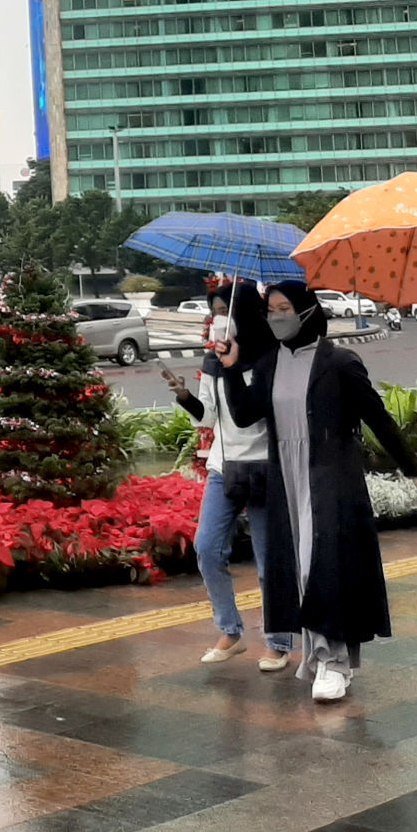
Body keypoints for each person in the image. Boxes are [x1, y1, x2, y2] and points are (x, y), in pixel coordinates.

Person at [222, 281, 417, 704]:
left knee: (320, 569)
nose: (275, 316)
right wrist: (230, 367)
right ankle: (321, 658)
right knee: (299, 572)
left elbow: (379, 419)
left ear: (306, 311)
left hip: (330, 482)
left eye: (284, 308)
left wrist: (415, 472)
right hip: (288, 480)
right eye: (271, 310)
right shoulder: (268, 364)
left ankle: (334, 662)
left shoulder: (339, 363)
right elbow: (245, 415)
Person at [166, 282, 294, 672]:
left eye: (227, 310)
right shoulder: (213, 360)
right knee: (206, 548)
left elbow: (252, 414)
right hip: (225, 467)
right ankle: (230, 630)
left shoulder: (271, 357)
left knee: (267, 561)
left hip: (264, 467)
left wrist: (234, 367)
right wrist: (186, 396)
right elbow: (208, 416)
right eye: (215, 311)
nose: (220, 319)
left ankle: (279, 639)